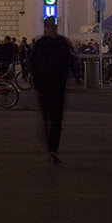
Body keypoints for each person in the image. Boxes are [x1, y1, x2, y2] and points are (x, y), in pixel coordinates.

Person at [30, 17, 74, 163]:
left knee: (56, 119)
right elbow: (33, 64)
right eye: (50, 26)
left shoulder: (60, 42)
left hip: (57, 86)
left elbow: (70, 60)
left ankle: (52, 149)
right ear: (46, 27)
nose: (52, 28)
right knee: (48, 117)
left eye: (53, 26)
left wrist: (76, 76)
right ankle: (50, 142)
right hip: (46, 86)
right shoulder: (42, 44)